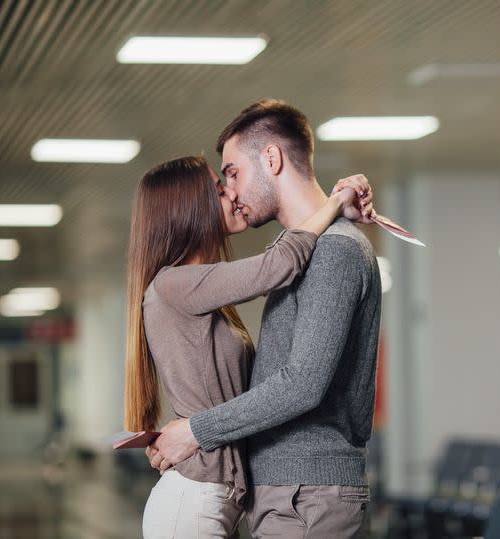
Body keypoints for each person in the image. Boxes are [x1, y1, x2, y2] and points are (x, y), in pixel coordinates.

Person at [147, 99, 383, 538]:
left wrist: (196, 432)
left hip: (307, 495)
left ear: (271, 158)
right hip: (287, 493)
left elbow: (303, 382)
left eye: (232, 172)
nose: (231, 191)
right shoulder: (307, 253)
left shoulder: (333, 250)